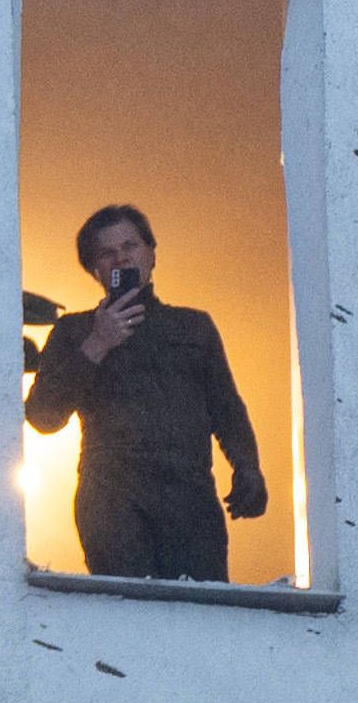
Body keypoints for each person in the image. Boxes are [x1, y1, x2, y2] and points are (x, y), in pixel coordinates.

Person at [24, 203, 270, 581]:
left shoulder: (192, 327)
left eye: (130, 246)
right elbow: (43, 416)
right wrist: (98, 343)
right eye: (107, 253)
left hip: (189, 498)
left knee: (199, 608)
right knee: (130, 607)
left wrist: (248, 467)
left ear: (151, 254)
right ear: (94, 269)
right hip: (111, 497)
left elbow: (226, 408)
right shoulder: (74, 331)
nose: (121, 258)